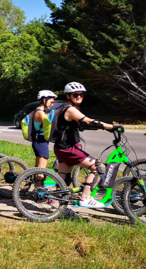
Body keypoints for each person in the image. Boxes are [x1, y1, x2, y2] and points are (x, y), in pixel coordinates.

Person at [54, 82, 123, 211]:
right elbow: (87, 121)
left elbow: (84, 124)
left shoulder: (64, 108)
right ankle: (85, 198)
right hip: (68, 148)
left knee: (64, 178)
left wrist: (102, 128)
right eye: (76, 95)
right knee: (97, 167)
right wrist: (112, 126)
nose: (79, 97)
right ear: (68, 96)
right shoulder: (70, 109)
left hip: (61, 147)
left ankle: (59, 209)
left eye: (81, 95)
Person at [33, 90, 57, 186]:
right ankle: (40, 192)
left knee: (39, 167)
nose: (52, 104)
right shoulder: (40, 113)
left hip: (39, 141)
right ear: (44, 100)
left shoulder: (40, 111)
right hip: (41, 142)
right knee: (41, 169)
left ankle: (38, 188)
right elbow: (51, 126)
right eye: (51, 102)